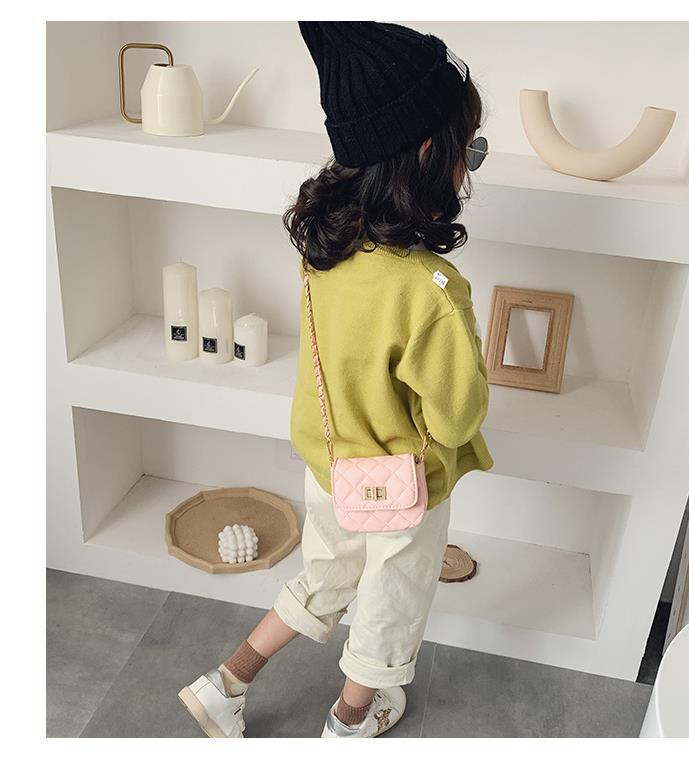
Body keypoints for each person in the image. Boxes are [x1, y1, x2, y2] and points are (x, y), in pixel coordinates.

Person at [178, 20, 493, 739]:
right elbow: (456, 419)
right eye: (468, 150)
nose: (468, 169)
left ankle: (226, 682)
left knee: (323, 576)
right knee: (391, 601)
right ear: (427, 153)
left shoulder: (324, 252)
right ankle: (352, 719)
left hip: (331, 469)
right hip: (406, 488)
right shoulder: (433, 291)